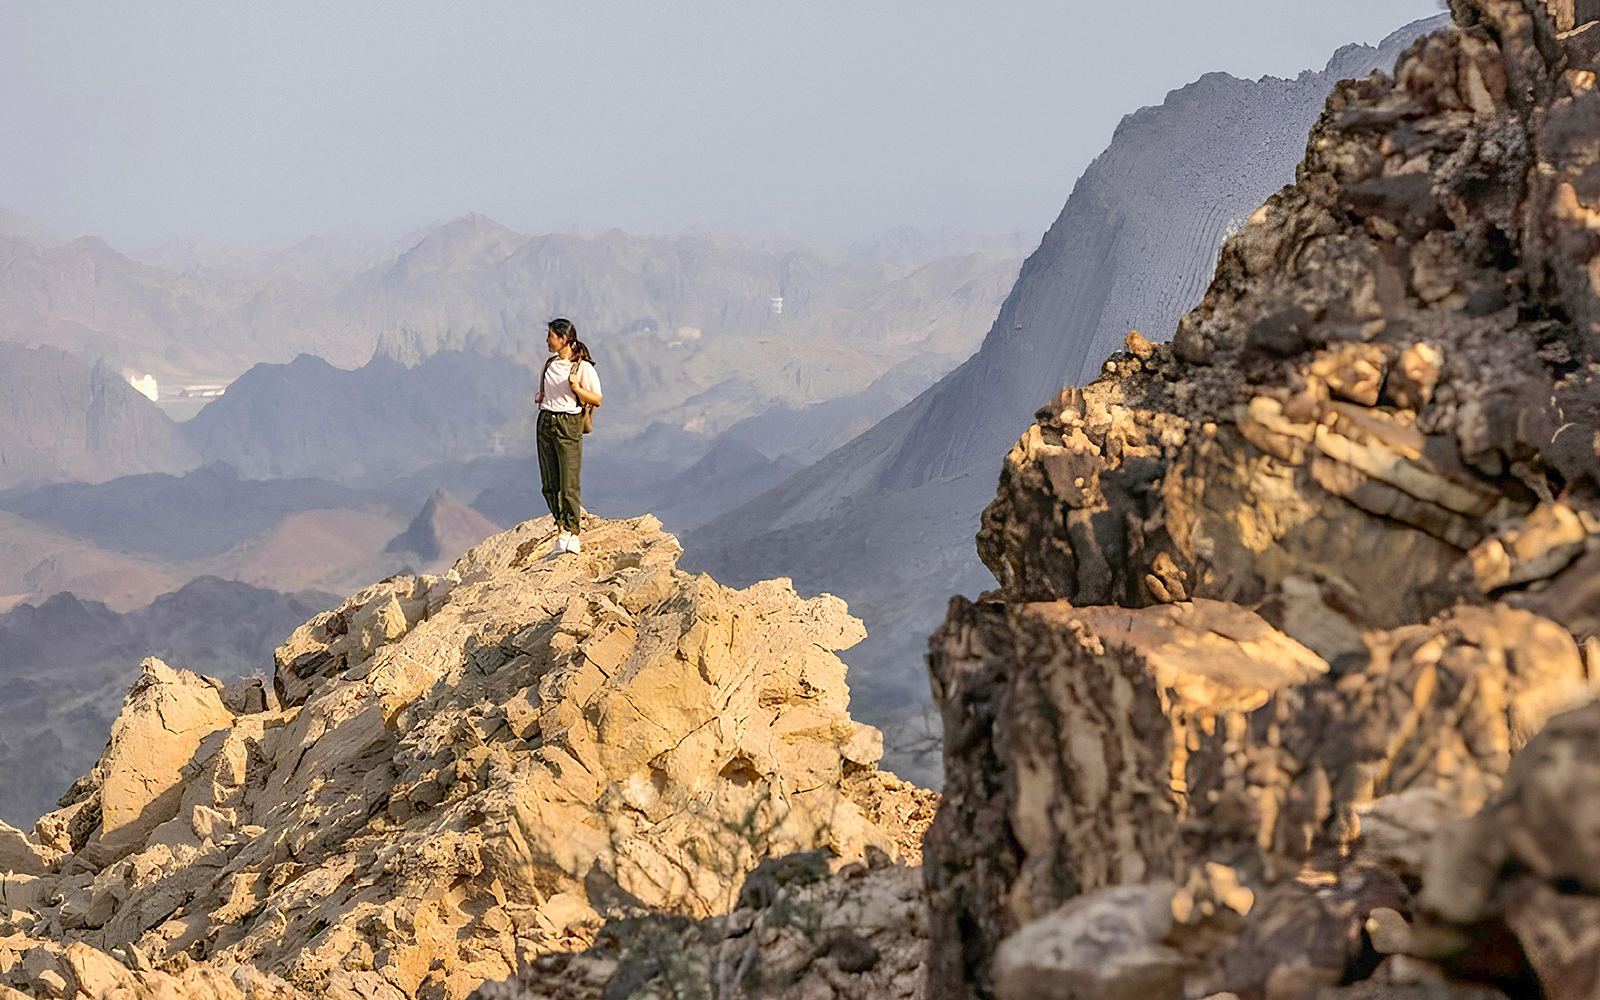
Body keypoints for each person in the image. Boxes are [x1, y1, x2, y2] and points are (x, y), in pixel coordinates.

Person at [535, 318, 602, 554]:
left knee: (569, 482)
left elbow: (597, 399)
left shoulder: (582, 367)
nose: (547, 340)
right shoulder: (549, 364)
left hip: (568, 424)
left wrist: (577, 388)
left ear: (564, 339)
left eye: (551, 336)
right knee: (549, 483)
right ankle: (561, 529)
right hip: (546, 421)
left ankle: (573, 533)